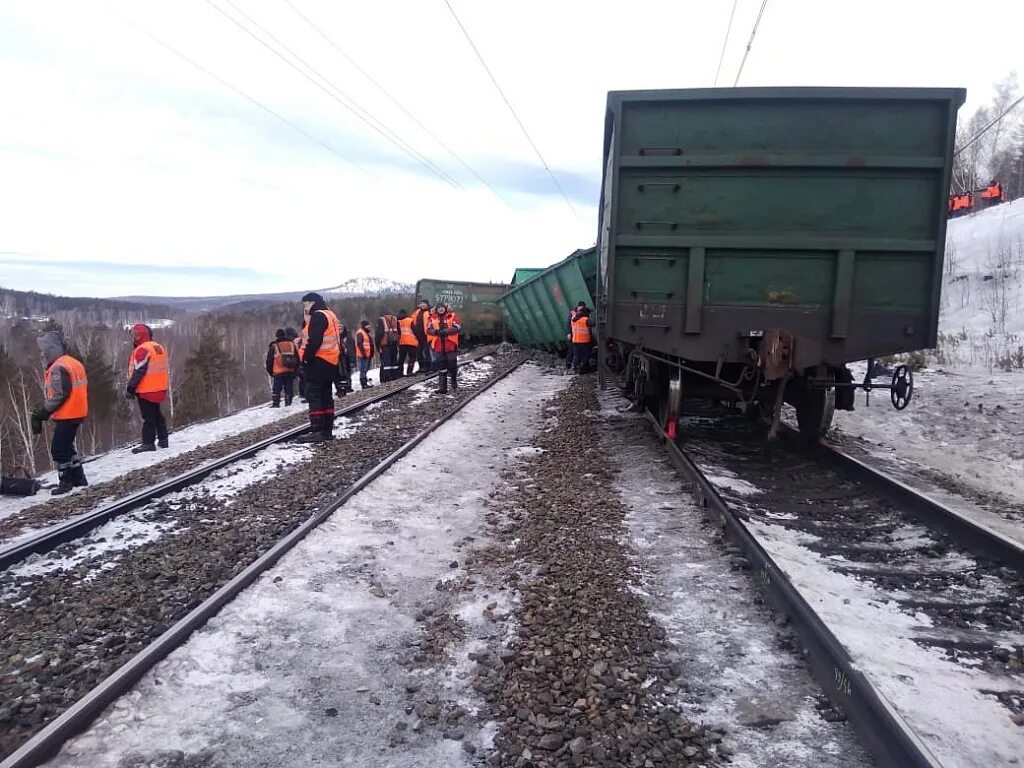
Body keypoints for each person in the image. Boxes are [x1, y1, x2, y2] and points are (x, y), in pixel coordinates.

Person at [31, 331, 89, 495]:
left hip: (67, 413)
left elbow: (59, 395)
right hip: (77, 411)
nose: (42, 354)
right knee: (68, 447)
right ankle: (79, 478)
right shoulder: (72, 362)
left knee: (58, 449)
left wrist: (42, 413)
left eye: (43, 350)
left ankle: (66, 482)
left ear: (50, 349)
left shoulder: (58, 367)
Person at [295, 292, 341, 443]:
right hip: (331, 360)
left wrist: (306, 359)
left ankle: (317, 430)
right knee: (326, 395)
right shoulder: (330, 314)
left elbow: (314, 341)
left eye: (306, 304)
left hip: (318, 361)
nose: (305, 307)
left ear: (313, 303)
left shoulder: (318, 316)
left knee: (314, 394)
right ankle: (326, 429)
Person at [126, 323, 170, 453]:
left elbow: (139, 371)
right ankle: (163, 439)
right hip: (159, 387)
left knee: (148, 417)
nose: (133, 338)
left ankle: (148, 443)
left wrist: (130, 388)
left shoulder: (142, 349)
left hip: (146, 389)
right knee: (157, 414)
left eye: (135, 335)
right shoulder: (158, 347)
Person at [426, 302, 461, 394]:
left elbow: (457, 327)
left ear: (445, 308)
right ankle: (443, 388)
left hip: (450, 344)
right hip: (439, 345)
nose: (440, 309)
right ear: (436, 309)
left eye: (442, 307)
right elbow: (428, 329)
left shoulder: (452, 315)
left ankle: (453, 380)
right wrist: (436, 332)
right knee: (441, 366)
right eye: (439, 308)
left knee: (452, 364)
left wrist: (446, 331)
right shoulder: (432, 317)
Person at [265, 329, 299, 407]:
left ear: (277, 336)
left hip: (278, 372)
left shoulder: (274, 346)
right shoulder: (291, 344)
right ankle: (288, 403)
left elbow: (269, 361)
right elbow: (297, 358)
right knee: (288, 388)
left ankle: (276, 404)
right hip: (290, 370)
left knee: (277, 389)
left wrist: (270, 372)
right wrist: (295, 371)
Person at [376, 311, 400, 383]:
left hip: (385, 344)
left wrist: (377, 345)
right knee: (394, 361)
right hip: (394, 343)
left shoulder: (381, 320)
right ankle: (395, 376)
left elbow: (379, 334)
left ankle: (387, 378)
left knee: (386, 362)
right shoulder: (395, 319)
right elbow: (399, 332)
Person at [571, 305, 595, 373]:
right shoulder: (585, 319)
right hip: (584, 341)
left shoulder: (574, 319)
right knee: (586, 356)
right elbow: (593, 324)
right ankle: (582, 368)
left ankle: (576, 369)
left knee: (577, 356)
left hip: (575, 341)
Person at [411, 299, 432, 373]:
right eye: (422, 303)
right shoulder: (417, 312)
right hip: (417, 336)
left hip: (426, 335)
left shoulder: (429, 312)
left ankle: (428, 367)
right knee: (419, 352)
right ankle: (421, 367)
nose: (423, 305)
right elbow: (412, 321)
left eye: (424, 303)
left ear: (427, 305)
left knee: (427, 352)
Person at [286, 325, 306, 403]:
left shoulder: (287, 343)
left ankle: (298, 394)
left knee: (293, 380)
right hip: (301, 360)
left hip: (291, 363)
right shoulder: (298, 340)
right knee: (304, 377)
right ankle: (303, 393)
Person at [397, 309, 419, 377]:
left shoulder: (397, 321)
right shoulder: (409, 320)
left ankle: (400, 373)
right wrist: (418, 339)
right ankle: (409, 371)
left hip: (401, 343)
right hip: (411, 342)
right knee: (412, 357)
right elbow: (415, 331)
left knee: (401, 358)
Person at [565, 301, 585, 373]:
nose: (581, 309)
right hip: (572, 335)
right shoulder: (573, 314)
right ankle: (568, 366)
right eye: (581, 308)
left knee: (577, 352)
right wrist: (569, 333)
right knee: (571, 350)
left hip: (578, 336)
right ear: (578, 307)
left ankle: (576, 367)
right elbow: (568, 323)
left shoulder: (582, 313)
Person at [336, 321, 355, 397]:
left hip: (346, 357)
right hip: (337, 357)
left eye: (341, 328)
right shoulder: (335, 337)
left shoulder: (348, 336)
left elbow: (351, 348)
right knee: (339, 374)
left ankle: (348, 387)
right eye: (339, 328)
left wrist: (352, 360)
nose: (340, 330)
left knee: (346, 373)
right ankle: (340, 389)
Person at [354, 319, 375, 389]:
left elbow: (370, 344)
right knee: (363, 370)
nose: (369, 327)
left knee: (365, 369)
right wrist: (363, 353)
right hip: (363, 355)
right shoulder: (361, 333)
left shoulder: (366, 333)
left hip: (367, 354)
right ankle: (363, 384)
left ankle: (365, 382)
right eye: (368, 326)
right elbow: (359, 344)